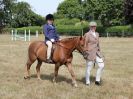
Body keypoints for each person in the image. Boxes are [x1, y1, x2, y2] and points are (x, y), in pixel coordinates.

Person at [83, 21, 104, 86]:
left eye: (94, 26)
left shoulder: (97, 34)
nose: (93, 27)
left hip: (97, 52)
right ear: (89, 27)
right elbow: (85, 44)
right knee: (89, 68)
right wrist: (85, 52)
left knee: (101, 66)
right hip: (90, 53)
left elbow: (98, 43)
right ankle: (87, 81)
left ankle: (97, 80)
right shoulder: (87, 34)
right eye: (92, 26)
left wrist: (99, 51)